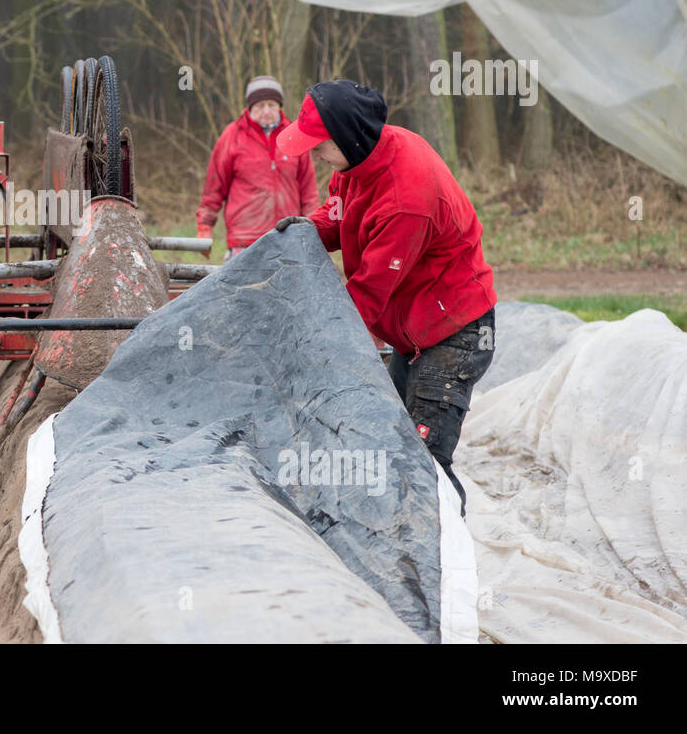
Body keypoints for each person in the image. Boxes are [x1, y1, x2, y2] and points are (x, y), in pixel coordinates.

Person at [274, 80, 496, 514]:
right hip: (412, 330)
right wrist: (305, 232)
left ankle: (441, 563)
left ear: (345, 137)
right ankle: (391, 532)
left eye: (319, 145)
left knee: (424, 460)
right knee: (386, 435)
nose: (314, 155)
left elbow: (366, 297)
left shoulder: (405, 201)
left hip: (452, 332)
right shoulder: (362, 160)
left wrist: (308, 343)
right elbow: (340, 213)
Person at [196, 75, 318, 261]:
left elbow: (308, 190)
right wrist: (204, 227)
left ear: (280, 106)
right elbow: (214, 187)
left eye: (272, 105)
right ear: (250, 107)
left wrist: (313, 226)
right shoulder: (232, 136)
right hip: (244, 241)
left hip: (287, 238)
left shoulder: (294, 137)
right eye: (260, 106)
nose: (267, 111)